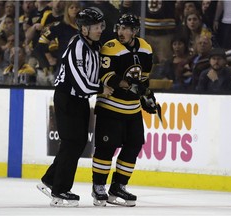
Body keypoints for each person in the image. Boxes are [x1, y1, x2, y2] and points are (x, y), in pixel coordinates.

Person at [36, 8, 113, 207]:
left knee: (77, 143)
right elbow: (81, 84)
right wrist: (101, 89)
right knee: (72, 142)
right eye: (96, 27)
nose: (100, 30)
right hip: (67, 98)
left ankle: (50, 180)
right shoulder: (77, 46)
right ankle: (60, 191)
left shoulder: (95, 46)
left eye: (101, 26)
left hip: (80, 100)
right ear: (84, 29)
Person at [91, 14, 157, 207]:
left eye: (126, 29)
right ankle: (99, 187)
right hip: (110, 108)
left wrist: (147, 96)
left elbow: (144, 78)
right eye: (119, 28)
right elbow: (106, 76)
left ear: (135, 31)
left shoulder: (146, 48)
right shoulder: (110, 48)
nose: (121, 32)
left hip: (133, 110)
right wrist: (130, 86)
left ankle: (118, 186)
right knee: (106, 148)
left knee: (134, 145)